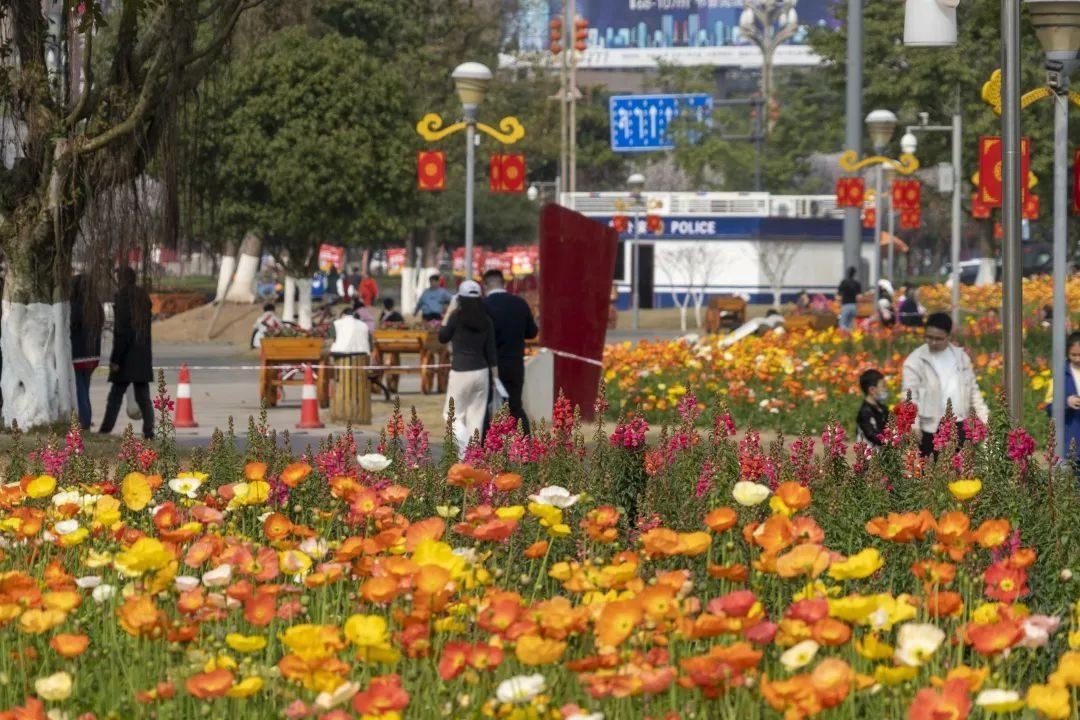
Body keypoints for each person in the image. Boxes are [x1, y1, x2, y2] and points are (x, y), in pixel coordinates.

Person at [901, 312, 989, 457]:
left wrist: (985, 418)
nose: (933, 342)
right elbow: (909, 395)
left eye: (938, 338)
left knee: (961, 473)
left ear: (949, 337)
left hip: (960, 424)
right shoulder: (915, 360)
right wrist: (913, 425)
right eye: (929, 337)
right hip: (929, 427)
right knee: (931, 473)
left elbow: (973, 390)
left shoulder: (960, 357)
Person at [438, 280, 498, 455]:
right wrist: (496, 379)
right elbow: (491, 352)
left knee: (452, 416)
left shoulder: (456, 317)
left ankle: (464, 453)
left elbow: (442, 336)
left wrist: (449, 310)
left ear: (460, 298)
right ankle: (473, 458)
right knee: (476, 419)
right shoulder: (486, 319)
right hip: (482, 372)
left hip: (461, 372)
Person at [99, 267, 154, 439]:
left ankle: (105, 430)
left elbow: (122, 332)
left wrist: (116, 359)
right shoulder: (143, 297)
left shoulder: (123, 298)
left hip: (127, 357)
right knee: (143, 396)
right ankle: (149, 431)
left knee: (115, 396)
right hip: (142, 354)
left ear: (122, 279)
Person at [482, 269, 539, 433]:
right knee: (515, 407)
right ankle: (526, 449)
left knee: (484, 409)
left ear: (485, 285)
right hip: (514, 363)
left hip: (489, 364)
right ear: (504, 283)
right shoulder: (520, 303)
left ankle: (483, 449)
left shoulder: (483, 306)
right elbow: (532, 333)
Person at [70, 274, 103, 430]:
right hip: (93, 354)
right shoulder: (96, 306)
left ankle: (84, 422)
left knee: (80, 390)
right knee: (85, 388)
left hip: (78, 355)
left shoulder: (75, 306)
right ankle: (85, 419)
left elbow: (70, 327)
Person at [1045, 331, 1080, 468]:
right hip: (1069, 442)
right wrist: (1066, 402)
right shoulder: (1059, 374)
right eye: (1074, 355)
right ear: (1067, 353)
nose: (1078, 359)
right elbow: (1049, 407)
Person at [856, 368, 890, 448]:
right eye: (883, 386)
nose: (885, 389)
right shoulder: (864, 412)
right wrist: (889, 440)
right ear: (872, 390)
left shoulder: (883, 409)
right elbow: (870, 434)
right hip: (869, 454)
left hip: (883, 452)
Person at [837, 267, 861, 331]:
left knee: (843, 324)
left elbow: (839, 295)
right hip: (853, 305)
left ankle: (844, 338)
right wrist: (858, 306)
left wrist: (838, 304)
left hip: (845, 305)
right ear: (854, 274)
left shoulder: (844, 282)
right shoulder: (857, 283)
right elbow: (859, 297)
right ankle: (850, 338)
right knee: (851, 325)